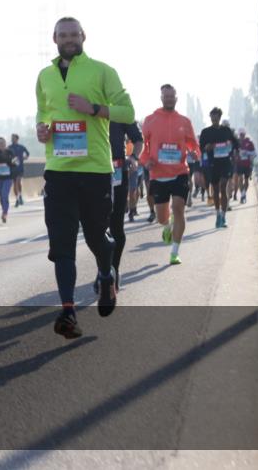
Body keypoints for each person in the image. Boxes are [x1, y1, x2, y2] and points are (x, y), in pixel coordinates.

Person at [35, 17, 134, 339]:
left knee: (96, 237)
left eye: (73, 35)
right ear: (54, 38)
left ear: (83, 36)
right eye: (63, 35)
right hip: (59, 171)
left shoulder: (102, 71)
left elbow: (127, 112)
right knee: (62, 246)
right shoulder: (45, 76)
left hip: (95, 170)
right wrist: (42, 129)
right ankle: (68, 311)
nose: (68, 40)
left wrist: (93, 107)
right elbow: (43, 112)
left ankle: (106, 275)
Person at [139, 85, 200, 265]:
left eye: (172, 96)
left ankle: (175, 252)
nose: (169, 99)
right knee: (161, 217)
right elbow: (143, 149)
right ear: (161, 98)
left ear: (176, 98)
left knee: (179, 208)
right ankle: (167, 225)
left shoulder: (184, 121)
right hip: (158, 174)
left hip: (180, 172)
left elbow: (194, 145)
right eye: (166, 97)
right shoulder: (150, 120)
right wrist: (146, 160)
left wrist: (195, 153)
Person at [106, 119, 142, 288]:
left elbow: (138, 139)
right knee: (96, 228)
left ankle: (113, 269)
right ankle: (104, 269)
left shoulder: (121, 110)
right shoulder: (88, 107)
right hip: (92, 174)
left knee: (116, 227)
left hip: (118, 172)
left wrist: (134, 156)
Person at [199, 108, 239, 228]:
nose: (214, 118)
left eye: (216, 116)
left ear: (219, 117)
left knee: (223, 186)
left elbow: (236, 144)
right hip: (213, 163)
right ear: (210, 117)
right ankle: (217, 214)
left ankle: (223, 216)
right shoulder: (206, 132)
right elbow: (201, 147)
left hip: (225, 162)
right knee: (216, 190)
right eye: (212, 116)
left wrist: (233, 149)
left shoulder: (226, 130)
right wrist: (207, 147)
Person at [0, 137, 17, 223]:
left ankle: (5, 213)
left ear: (5, 144)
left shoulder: (10, 152)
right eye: (0, 144)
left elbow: (16, 163)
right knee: (1, 197)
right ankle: (4, 210)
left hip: (8, 177)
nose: (1, 145)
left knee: (5, 195)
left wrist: (10, 162)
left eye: (3, 143)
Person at [8, 134, 30, 207]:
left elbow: (28, 153)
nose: (12, 139)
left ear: (17, 139)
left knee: (18, 182)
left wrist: (25, 158)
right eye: (12, 138)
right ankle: (17, 199)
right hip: (12, 168)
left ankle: (20, 195)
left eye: (13, 138)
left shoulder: (21, 147)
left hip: (20, 168)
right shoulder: (9, 147)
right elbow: (6, 156)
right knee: (15, 184)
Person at [235, 128, 256, 203]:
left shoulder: (249, 142)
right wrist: (237, 154)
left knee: (246, 181)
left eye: (242, 134)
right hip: (239, 164)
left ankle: (243, 194)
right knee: (240, 179)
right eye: (240, 135)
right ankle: (242, 195)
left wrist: (247, 153)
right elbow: (233, 152)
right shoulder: (236, 143)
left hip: (247, 164)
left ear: (245, 134)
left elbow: (254, 153)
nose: (241, 136)